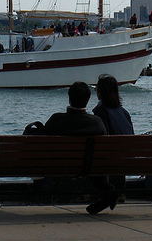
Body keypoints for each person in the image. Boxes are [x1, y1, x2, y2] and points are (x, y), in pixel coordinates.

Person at [43, 81, 116, 215]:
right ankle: (107, 192)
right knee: (90, 160)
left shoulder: (56, 120)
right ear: (87, 100)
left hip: (59, 167)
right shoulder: (97, 122)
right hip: (88, 167)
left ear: (69, 98)